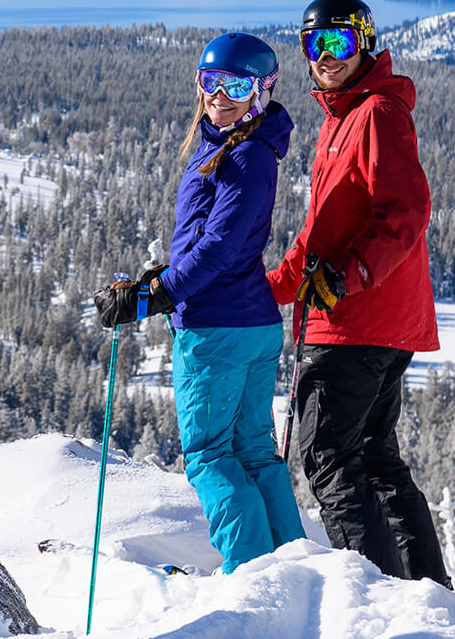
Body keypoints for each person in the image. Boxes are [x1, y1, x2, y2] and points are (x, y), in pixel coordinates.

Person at [96, 32, 304, 573]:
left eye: (236, 84)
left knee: (211, 456)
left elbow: (219, 246)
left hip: (217, 328)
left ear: (261, 90)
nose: (220, 95)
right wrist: (158, 277)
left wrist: (159, 295)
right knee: (254, 451)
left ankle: (254, 583)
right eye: (211, 82)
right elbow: (211, 243)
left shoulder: (244, 156)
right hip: (252, 321)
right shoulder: (237, 149)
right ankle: (292, 571)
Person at [266, 0, 451, 587]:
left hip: (356, 323)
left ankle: (378, 603)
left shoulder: (374, 114)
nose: (326, 57)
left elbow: (407, 210)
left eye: (339, 43)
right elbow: (320, 237)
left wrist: (349, 277)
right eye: (314, 46)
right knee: (374, 459)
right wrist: (263, 290)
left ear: (365, 42)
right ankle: (426, 595)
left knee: (329, 457)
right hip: (371, 321)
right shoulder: (342, 119)